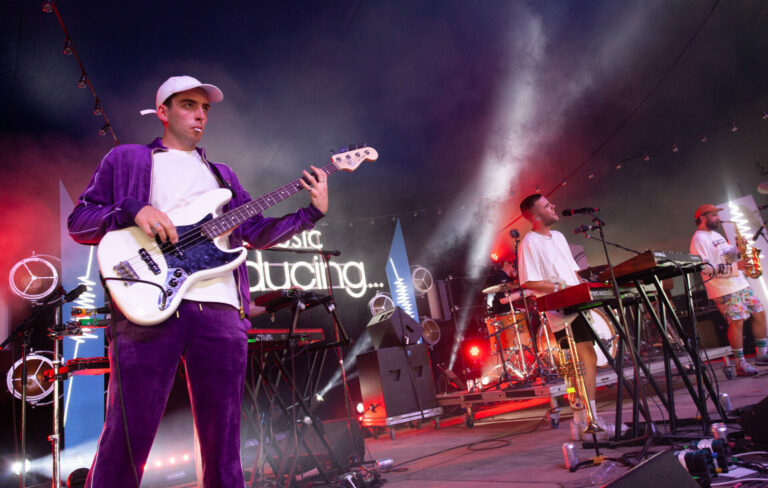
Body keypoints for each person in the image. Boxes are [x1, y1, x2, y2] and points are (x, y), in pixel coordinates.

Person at [67, 75, 329, 488]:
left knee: (224, 442)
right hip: (148, 309)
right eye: (189, 105)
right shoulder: (128, 159)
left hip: (220, 312)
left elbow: (256, 231)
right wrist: (132, 210)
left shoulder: (222, 176)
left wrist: (309, 214)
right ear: (163, 111)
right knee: (127, 435)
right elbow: (80, 222)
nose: (200, 114)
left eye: (205, 107)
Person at [516, 194, 604, 437]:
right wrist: (559, 289)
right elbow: (528, 281)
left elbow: (573, 272)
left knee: (587, 359)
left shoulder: (560, 237)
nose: (553, 206)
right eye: (546, 206)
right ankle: (583, 418)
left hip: (578, 303)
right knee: (576, 363)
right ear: (535, 216)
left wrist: (585, 287)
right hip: (561, 311)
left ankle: (587, 417)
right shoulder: (529, 243)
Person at [689, 204, 768, 377]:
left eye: (718, 214)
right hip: (723, 288)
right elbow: (706, 268)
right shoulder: (698, 239)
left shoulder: (716, 235)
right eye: (714, 215)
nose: (718, 218)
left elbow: (728, 258)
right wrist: (735, 266)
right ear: (703, 217)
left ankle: (762, 355)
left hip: (740, 283)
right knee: (737, 322)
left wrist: (737, 251)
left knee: (760, 313)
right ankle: (741, 364)